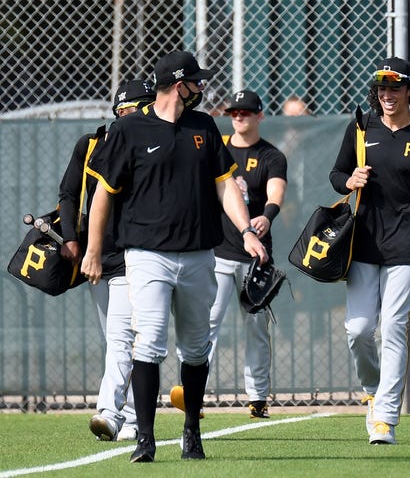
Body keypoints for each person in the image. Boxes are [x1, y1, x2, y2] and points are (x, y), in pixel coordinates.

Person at [81, 51, 267, 463]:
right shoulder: (129, 128)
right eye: (195, 81)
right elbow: (102, 196)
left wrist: (247, 231)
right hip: (147, 254)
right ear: (177, 84)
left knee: (197, 348)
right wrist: (94, 249)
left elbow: (226, 186)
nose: (201, 87)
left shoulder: (203, 126)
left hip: (201, 254)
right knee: (148, 340)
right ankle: (144, 439)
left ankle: (191, 432)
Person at [329, 57, 410, 445]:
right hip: (363, 241)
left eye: (396, 87)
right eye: (382, 88)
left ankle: (385, 416)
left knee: (394, 327)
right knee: (358, 329)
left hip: (408, 246)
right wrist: (349, 180)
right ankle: (373, 388)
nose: (388, 94)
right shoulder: (360, 127)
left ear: (409, 91)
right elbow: (337, 174)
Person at [169, 89, 287, 419]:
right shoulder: (217, 148)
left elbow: (276, 190)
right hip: (218, 250)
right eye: (234, 112)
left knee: (256, 328)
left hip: (256, 255)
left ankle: (258, 396)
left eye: (246, 112)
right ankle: (192, 394)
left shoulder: (271, 156)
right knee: (206, 325)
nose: (239, 117)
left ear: (259, 116)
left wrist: (268, 214)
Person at [59, 79, 155, 442]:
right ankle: (128, 415)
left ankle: (118, 415)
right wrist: (72, 240)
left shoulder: (154, 143)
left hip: (140, 255)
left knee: (125, 339)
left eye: (139, 108)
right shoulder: (90, 144)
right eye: (125, 110)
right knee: (114, 338)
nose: (129, 115)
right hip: (102, 257)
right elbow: (69, 194)